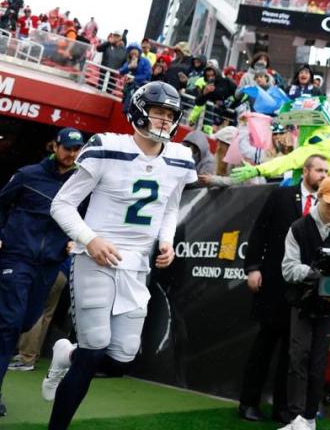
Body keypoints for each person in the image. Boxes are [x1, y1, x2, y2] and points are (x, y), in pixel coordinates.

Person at [43, 82, 197, 429]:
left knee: (122, 357)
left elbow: (169, 207)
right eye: (158, 110)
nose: (164, 119)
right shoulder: (107, 147)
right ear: (139, 111)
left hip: (137, 264)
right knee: (95, 346)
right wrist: (90, 238)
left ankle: (65, 354)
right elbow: (62, 204)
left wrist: (166, 241)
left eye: (170, 114)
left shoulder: (179, 158)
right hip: (95, 258)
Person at [238, 155, 330, 423]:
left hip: (304, 292)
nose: (323, 175)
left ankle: (282, 408)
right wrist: (253, 267)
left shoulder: (325, 206)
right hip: (273, 284)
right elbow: (259, 233)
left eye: (326, 171)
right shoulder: (281, 196)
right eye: (319, 170)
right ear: (306, 171)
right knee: (264, 346)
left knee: (293, 354)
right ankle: (248, 403)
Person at [0, 128, 83, 416]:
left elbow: (84, 220)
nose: (72, 154)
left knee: (24, 323)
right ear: (55, 146)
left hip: (50, 265)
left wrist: (77, 240)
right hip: (17, 257)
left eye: (77, 149)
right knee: (9, 324)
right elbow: (1, 204)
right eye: (67, 148)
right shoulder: (27, 174)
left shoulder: (79, 184)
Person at [281, 176, 330, 430]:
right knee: (298, 358)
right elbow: (288, 269)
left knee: (318, 362)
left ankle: (310, 416)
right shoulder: (298, 228)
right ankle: (294, 418)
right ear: (318, 198)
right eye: (328, 202)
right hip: (302, 302)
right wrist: (317, 275)